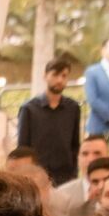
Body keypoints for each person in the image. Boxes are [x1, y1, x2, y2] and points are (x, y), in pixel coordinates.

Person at [17, 56, 82, 187]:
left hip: (66, 176)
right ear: (45, 76)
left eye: (64, 76)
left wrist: (74, 173)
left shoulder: (73, 108)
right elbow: (22, 147)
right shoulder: (29, 109)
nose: (60, 80)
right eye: (55, 75)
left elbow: (75, 145)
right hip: (36, 176)